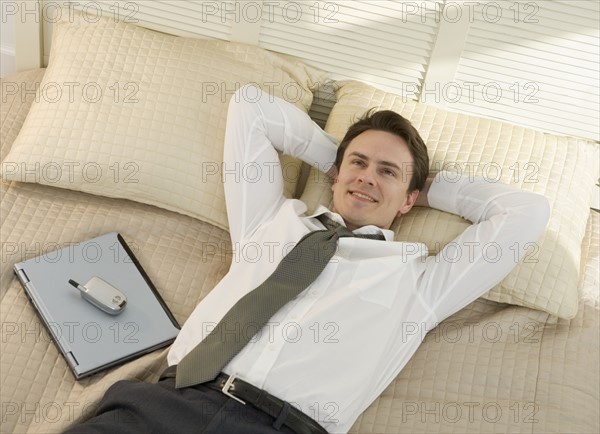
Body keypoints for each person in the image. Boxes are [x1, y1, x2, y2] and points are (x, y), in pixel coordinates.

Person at [65, 84, 550, 433]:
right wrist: (342, 164)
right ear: (336, 173)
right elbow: (251, 106)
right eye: (358, 162)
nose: (367, 177)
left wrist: (419, 190)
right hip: (164, 406)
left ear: (410, 198)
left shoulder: (421, 285)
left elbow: (526, 212)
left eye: (387, 171)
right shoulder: (269, 223)